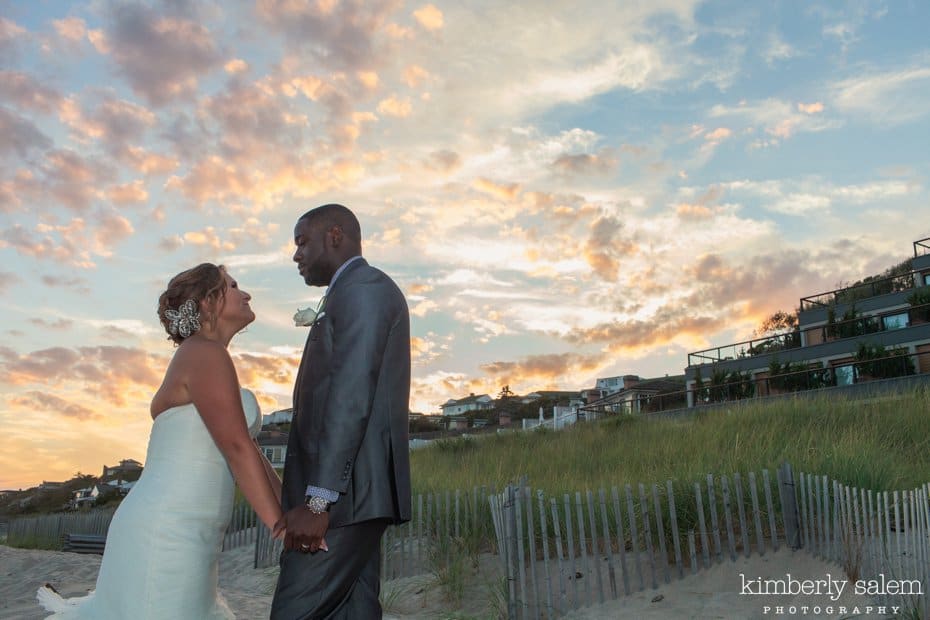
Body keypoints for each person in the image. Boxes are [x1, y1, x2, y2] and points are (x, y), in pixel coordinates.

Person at [37, 263, 284, 619]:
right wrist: (281, 528)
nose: (245, 294)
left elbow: (250, 450)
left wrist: (288, 509)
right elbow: (235, 448)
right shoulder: (203, 352)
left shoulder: (208, 357)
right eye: (232, 286)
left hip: (192, 535)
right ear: (207, 302)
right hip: (167, 532)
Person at [271, 204, 411, 619]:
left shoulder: (364, 288)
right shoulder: (348, 292)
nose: (296, 255)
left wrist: (318, 503)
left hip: (346, 500)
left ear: (335, 235)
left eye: (302, 242)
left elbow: (351, 395)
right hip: (356, 499)